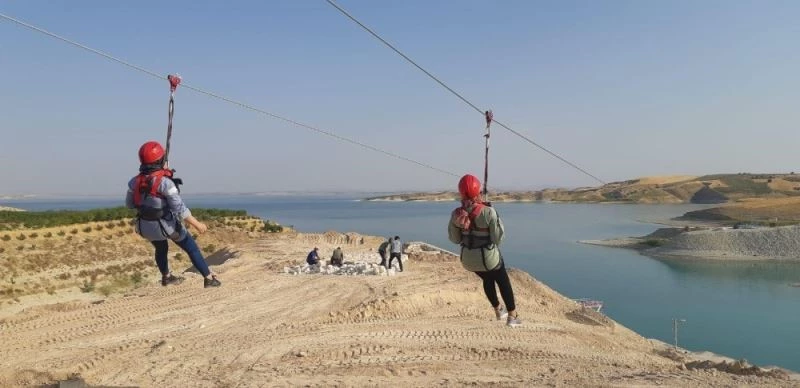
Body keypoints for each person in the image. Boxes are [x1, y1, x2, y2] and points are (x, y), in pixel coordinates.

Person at [125, 141, 221, 288]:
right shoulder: (165, 184)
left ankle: (166, 277)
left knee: (161, 248)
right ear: (161, 160)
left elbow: (130, 204)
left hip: (145, 227)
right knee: (191, 247)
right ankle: (208, 278)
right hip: (166, 226)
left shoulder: (134, 182)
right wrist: (197, 224)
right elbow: (179, 208)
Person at [448, 174, 520, 327]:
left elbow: (455, 239)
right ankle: (512, 316)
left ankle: (498, 309)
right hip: (488, 258)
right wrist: (493, 213)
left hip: (467, 260)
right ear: (478, 191)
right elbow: (498, 239)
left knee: (487, 279)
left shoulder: (456, 214)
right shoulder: (488, 212)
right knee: (502, 280)